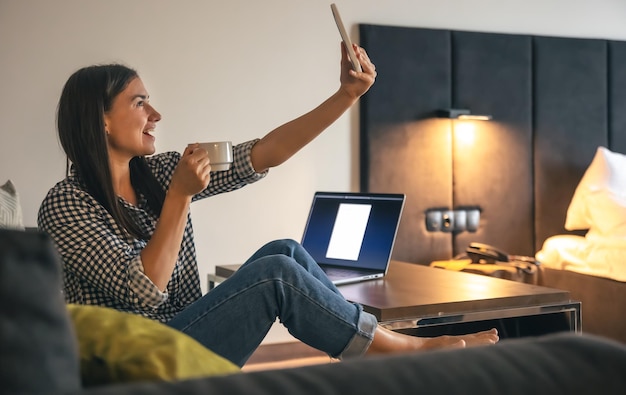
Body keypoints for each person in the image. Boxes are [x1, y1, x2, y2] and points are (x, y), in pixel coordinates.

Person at [38, 43, 498, 367]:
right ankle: (403, 355)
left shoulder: (156, 174)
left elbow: (265, 153)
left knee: (286, 252)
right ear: (100, 119)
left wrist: (347, 95)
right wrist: (181, 196)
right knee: (274, 276)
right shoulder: (66, 205)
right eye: (140, 103)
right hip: (140, 365)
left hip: (184, 336)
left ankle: (384, 349)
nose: (155, 115)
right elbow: (147, 288)